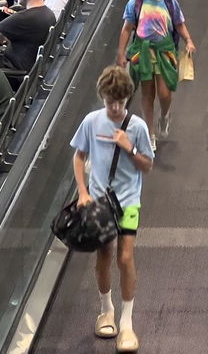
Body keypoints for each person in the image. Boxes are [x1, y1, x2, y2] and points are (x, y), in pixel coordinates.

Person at [71, 65, 153, 353]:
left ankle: (127, 323)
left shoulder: (138, 127)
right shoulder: (92, 122)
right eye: (110, 102)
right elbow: (79, 157)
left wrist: (129, 147)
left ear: (127, 98)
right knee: (104, 254)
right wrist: (82, 192)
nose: (116, 107)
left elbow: (147, 166)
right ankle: (106, 311)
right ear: (102, 97)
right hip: (99, 201)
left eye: (120, 102)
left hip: (128, 201)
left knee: (126, 257)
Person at [117, 0, 195, 151]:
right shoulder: (135, 3)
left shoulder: (169, 1)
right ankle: (150, 134)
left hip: (165, 50)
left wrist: (189, 40)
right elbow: (127, 29)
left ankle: (165, 115)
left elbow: (179, 24)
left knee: (164, 92)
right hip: (143, 52)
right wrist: (121, 53)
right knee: (147, 93)